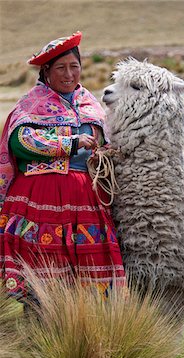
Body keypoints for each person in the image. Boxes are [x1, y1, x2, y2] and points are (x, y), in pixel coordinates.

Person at [0, 31, 125, 307]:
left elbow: (104, 140)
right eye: (60, 68)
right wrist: (69, 142)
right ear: (46, 71)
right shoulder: (32, 104)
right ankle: (39, 336)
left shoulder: (90, 103)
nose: (69, 74)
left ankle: (79, 334)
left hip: (86, 199)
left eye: (74, 67)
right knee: (42, 279)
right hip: (41, 198)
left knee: (86, 280)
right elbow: (21, 142)